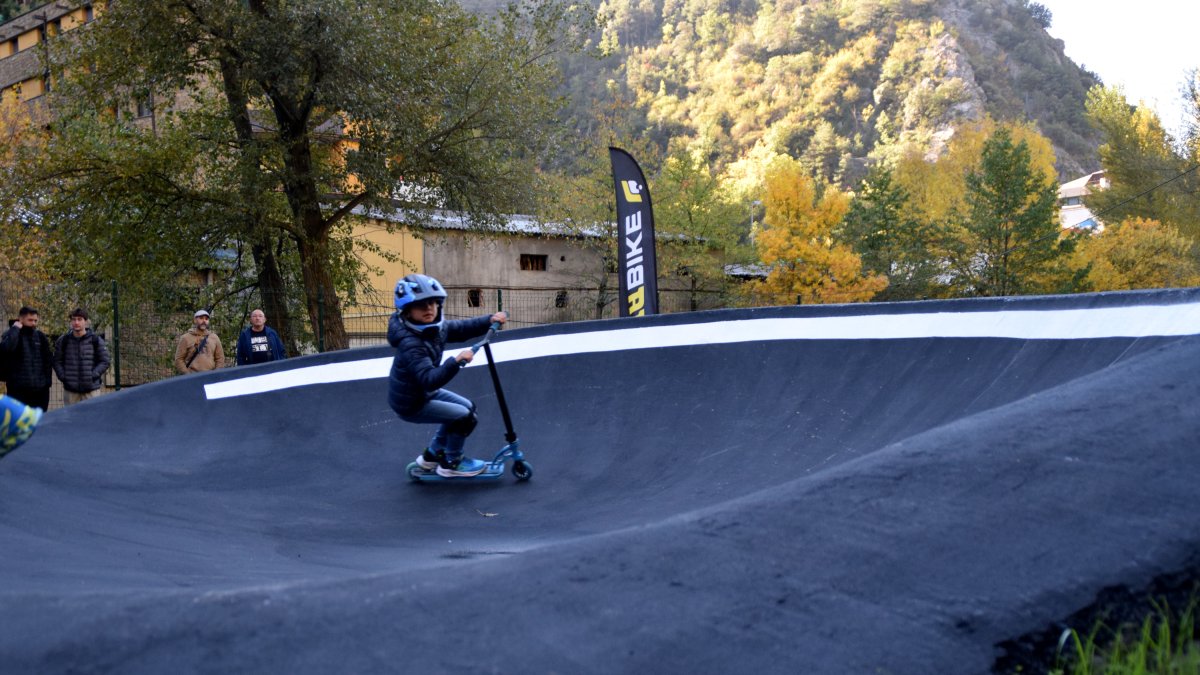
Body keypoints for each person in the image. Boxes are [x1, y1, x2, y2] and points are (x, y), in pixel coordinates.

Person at [387, 274, 506, 477]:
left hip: (425, 392)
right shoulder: (410, 343)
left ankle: (433, 455)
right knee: (464, 417)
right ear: (407, 310)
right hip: (411, 403)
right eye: (421, 305)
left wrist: (489, 320)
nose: (429, 309)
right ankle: (452, 462)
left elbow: (460, 329)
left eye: (433, 303)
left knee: (468, 407)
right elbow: (430, 378)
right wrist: (456, 361)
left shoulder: (433, 327)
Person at [52, 308, 111, 406]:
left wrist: (92, 375)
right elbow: (56, 361)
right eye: (74, 319)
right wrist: (64, 377)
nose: (76, 322)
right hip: (71, 391)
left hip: (91, 390)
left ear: (86, 321)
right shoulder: (63, 341)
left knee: (92, 419)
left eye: (79, 319)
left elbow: (105, 361)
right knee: (71, 420)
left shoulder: (95, 340)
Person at [1, 306, 53, 410]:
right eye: (30, 320)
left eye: (35, 320)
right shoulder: (10, 334)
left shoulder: (40, 336)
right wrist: (15, 329)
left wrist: (47, 383)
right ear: (20, 319)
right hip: (17, 390)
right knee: (19, 422)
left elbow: (48, 361)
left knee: (40, 422)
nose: (34, 323)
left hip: (39, 391)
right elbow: (6, 349)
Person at [174, 309, 225, 374]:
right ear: (195, 320)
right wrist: (188, 375)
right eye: (201, 318)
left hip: (210, 377)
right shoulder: (185, 338)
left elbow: (220, 358)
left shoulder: (214, 338)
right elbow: (179, 359)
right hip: (192, 377)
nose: (204, 321)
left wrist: (216, 374)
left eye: (206, 319)